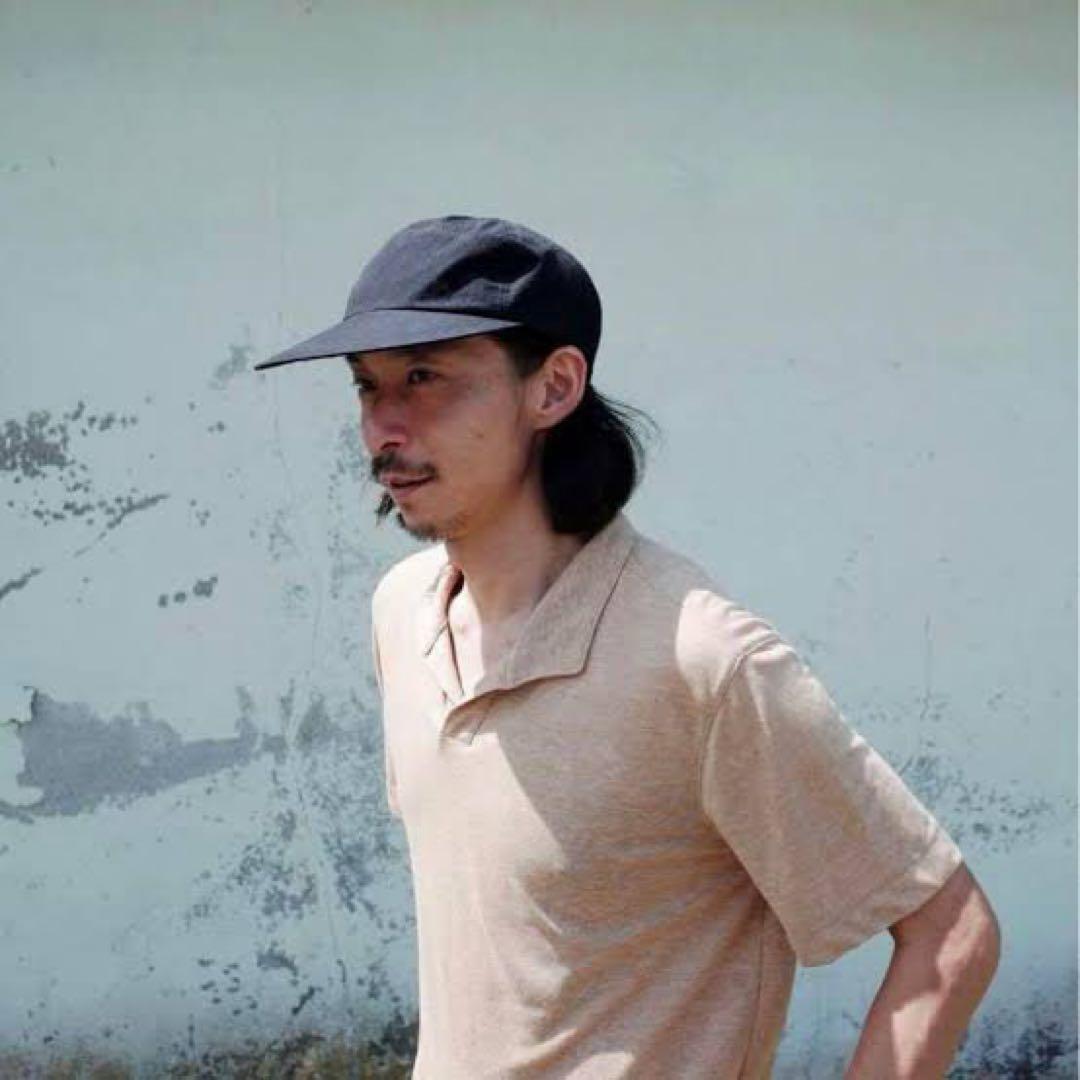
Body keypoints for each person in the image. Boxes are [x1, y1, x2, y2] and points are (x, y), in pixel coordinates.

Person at [255, 214, 1001, 1078]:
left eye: (425, 378)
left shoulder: (701, 661)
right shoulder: (402, 612)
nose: (385, 427)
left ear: (554, 387)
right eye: (366, 387)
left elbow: (952, 933)